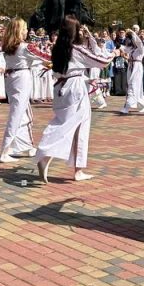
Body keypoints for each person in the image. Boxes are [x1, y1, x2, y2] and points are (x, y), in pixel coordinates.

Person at [35, 16, 113, 183]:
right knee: (76, 126)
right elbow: (102, 61)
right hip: (74, 87)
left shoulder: (57, 48)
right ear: (74, 31)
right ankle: (47, 155)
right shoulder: (76, 49)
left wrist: (89, 37)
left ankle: (76, 168)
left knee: (63, 122)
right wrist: (110, 50)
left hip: (59, 87)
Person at [0, 18, 49, 163]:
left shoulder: (8, 46)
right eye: (25, 29)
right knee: (17, 113)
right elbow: (45, 56)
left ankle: (24, 145)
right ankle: (5, 150)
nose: (27, 31)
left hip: (12, 77)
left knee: (24, 111)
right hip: (21, 78)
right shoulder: (26, 47)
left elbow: (35, 59)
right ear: (19, 31)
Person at [120, 29, 144, 114]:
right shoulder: (132, 48)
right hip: (131, 66)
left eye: (131, 39)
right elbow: (123, 48)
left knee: (133, 84)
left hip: (137, 67)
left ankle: (127, 106)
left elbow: (138, 42)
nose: (129, 40)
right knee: (135, 86)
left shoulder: (141, 48)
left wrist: (132, 33)